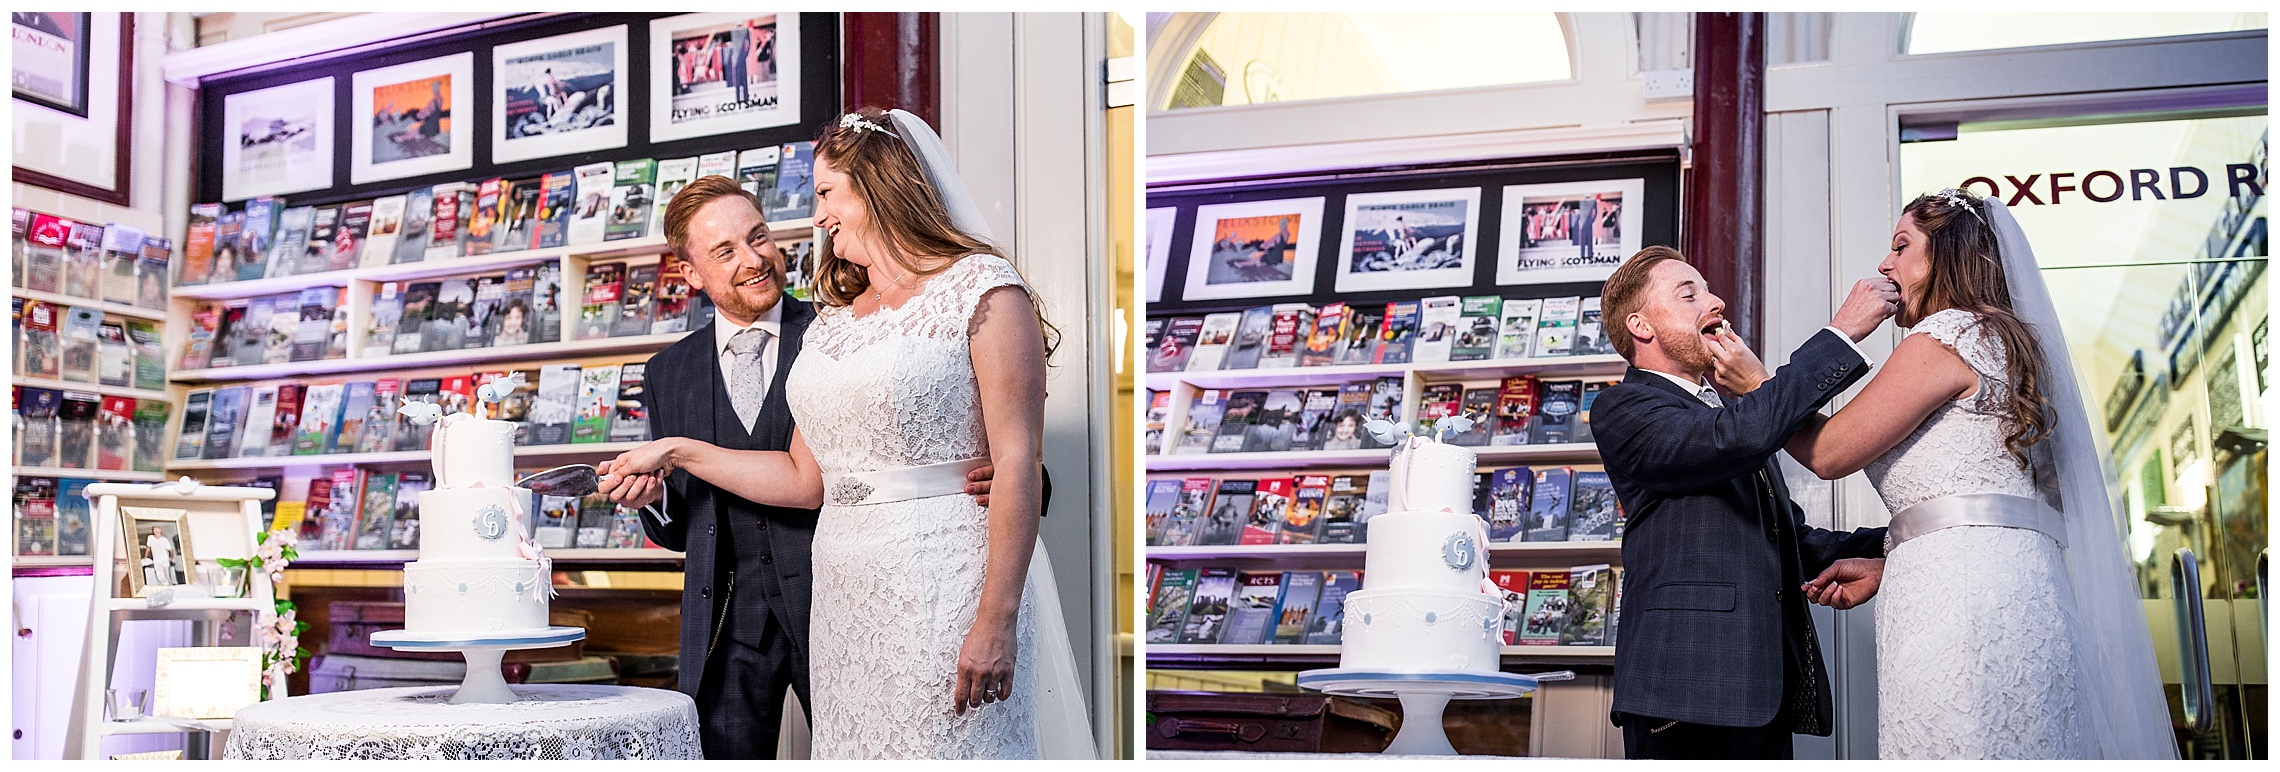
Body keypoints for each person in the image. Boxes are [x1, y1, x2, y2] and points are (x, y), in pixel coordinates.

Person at [599, 108, 1092, 759]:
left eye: (826, 193)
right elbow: (801, 480)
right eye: (725, 250)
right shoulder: (826, 323)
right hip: (811, 611)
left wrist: (995, 611)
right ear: (689, 271)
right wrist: (672, 458)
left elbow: (1013, 455)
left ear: (877, 186)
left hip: (930, 582)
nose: (815, 216)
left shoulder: (965, 294)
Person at [1751, 191, 2176, 759]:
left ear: (1949, 255)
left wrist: (1758, 385)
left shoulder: (1947, 336)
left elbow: (1829, 452)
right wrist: (1894, 563)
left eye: (1902, 247)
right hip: (2014, 587)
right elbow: (1993, 498)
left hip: (1962, 602)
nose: (1885, 265)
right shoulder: (2008, 342)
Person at [1587, 245, 1897, 759]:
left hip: (1759, 684)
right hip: (1683, 686)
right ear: (1641, 327)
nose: (1715, 302)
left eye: (1708, 290)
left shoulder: (1732, 416)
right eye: (1689, 294)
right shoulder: (1622, 408)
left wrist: (1908, 538)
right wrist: (1841, 335)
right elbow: (1735, 436)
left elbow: (1790, 539)